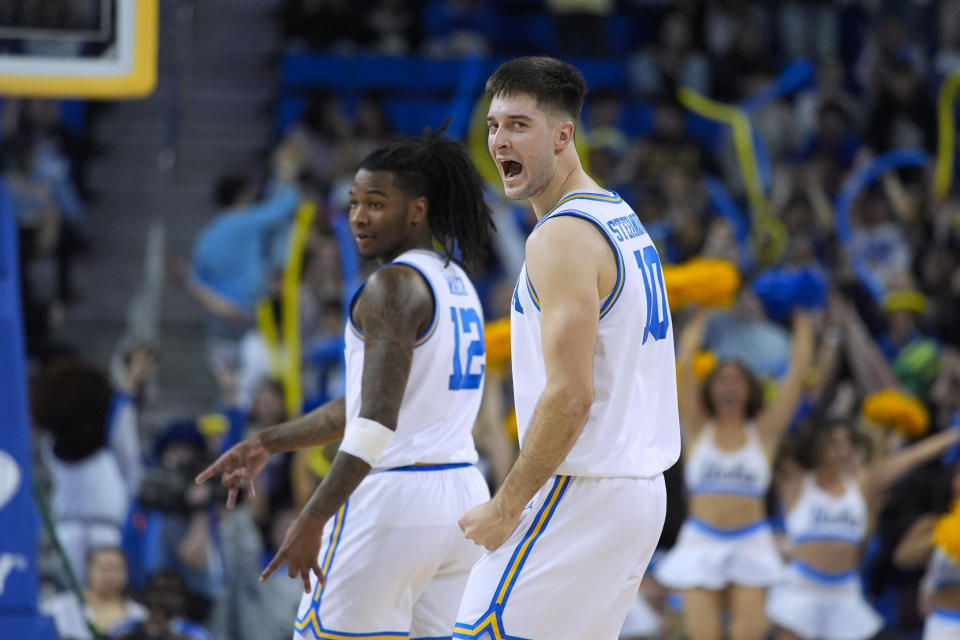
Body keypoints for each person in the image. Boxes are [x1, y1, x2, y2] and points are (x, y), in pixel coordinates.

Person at [195, 128, 496, 639]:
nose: (358, 216)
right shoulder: (454, 279)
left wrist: (312, 517)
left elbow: (376, 422)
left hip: (394, 498)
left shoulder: (392, 286)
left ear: (417, 210)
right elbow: (369, 400)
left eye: (376, 204)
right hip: (462, 498)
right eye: (355, 202)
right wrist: (271, 440)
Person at [453, 56, 681, 640]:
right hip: (634, 490)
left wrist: (507, 504)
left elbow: (572, 394)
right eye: (494, 125)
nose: (500, 139)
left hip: (583, 488)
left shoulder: (562, 236)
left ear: (563, 135)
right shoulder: (619, 215)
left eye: (519, 124)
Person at [654, 307, 814, 640]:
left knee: (748, 634)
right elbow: (683, 370)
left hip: (751, 540)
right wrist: (701, 311)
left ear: (749, 389)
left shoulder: (764, 433)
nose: (729, 386)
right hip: (701, 539)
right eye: (722, 379)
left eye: (737, 380)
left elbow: (797, 375)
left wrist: (802, 320)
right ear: (711, 388)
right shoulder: (699, 429)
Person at [767, 420, 960, 640]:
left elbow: (909, 459)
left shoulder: (861, 484)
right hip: (801, 587)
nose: (843, 450)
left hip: (844, 590)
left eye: (848, 443)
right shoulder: (797, 483)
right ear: (816, 446)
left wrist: (953, 435)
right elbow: (771, 436)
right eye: (834, 443)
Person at [42, 547, 147, 640]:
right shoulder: (58, 607)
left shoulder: (139, 615)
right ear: (89, 570)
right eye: (104, 569)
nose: (109, 576)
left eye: (116, 569)